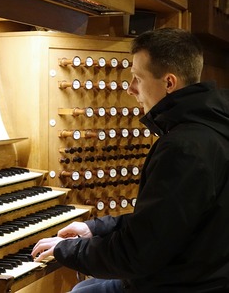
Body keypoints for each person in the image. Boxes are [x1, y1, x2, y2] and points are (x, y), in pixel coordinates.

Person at [31, 28, 229, 292]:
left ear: (169, 83)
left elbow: (139, 252)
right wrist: (95, 228)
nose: (130, 89)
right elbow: (162, 222)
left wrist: (69, 250)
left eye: (137, 78)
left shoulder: (185, 147)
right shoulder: (212, 125)